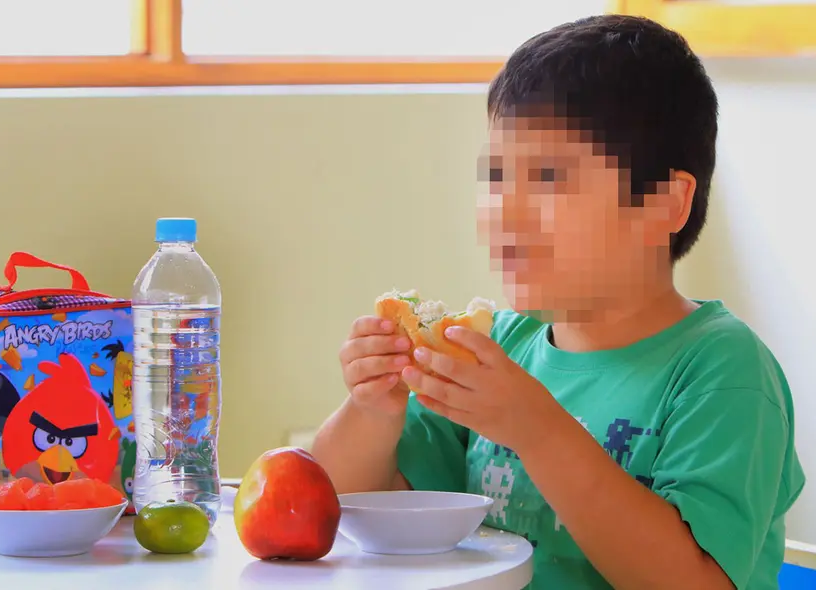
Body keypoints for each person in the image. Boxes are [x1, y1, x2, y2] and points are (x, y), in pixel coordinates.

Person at [311, 14, 805, 590]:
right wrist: (374, 408)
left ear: (665, 204)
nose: (506, 210)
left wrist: (539, 431)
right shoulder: (501, 346)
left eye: (548, 177)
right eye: (495, 175)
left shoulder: (723, 372)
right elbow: (347, 507)